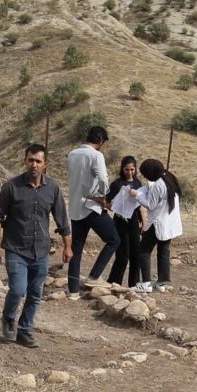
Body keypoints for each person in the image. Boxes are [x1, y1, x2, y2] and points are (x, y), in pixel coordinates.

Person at [0, 143, 72, 347]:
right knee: (18, 290)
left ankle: (25, 330)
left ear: (45, 164)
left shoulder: (52, 187)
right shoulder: (11, 186)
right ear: (25, 161)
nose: (33, 164)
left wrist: (68, 246)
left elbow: (62, 218)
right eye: (30, 160)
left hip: (41, 251)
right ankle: (9, 318)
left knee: (36, 294)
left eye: (38, 161)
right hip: (16, 248)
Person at [64, 124, 118, 299]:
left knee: (76, 249)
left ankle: (73, 291)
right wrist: (104, 196)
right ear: (101, 141)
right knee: (113, 239)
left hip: (75, 206)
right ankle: (94, 276)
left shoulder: (72, 154)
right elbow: (102, 178)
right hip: (92, 206)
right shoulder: (96, 155)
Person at [133, 158, 182, 292]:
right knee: (163, 250)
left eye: (146, 174)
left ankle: (146, 283)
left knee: (143, 251)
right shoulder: (170, 177)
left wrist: (137, 195)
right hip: (169, 223)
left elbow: (150, 205)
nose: (145, 177)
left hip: (158, 222)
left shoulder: (159, 185)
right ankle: (161, 282)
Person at [105, 155, 143, 288]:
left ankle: (134, 285)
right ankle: (114, 284)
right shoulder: (116, 184)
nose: (130, 172)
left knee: (136, 255)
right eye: (127, 169)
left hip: (134, 221)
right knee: (122, 255)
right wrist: (114, 208)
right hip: (120, 221)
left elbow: (140, 204)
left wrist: (143, 222)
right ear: (122, 169)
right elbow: (106, 201)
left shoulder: (138, 183)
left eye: (132, 169)